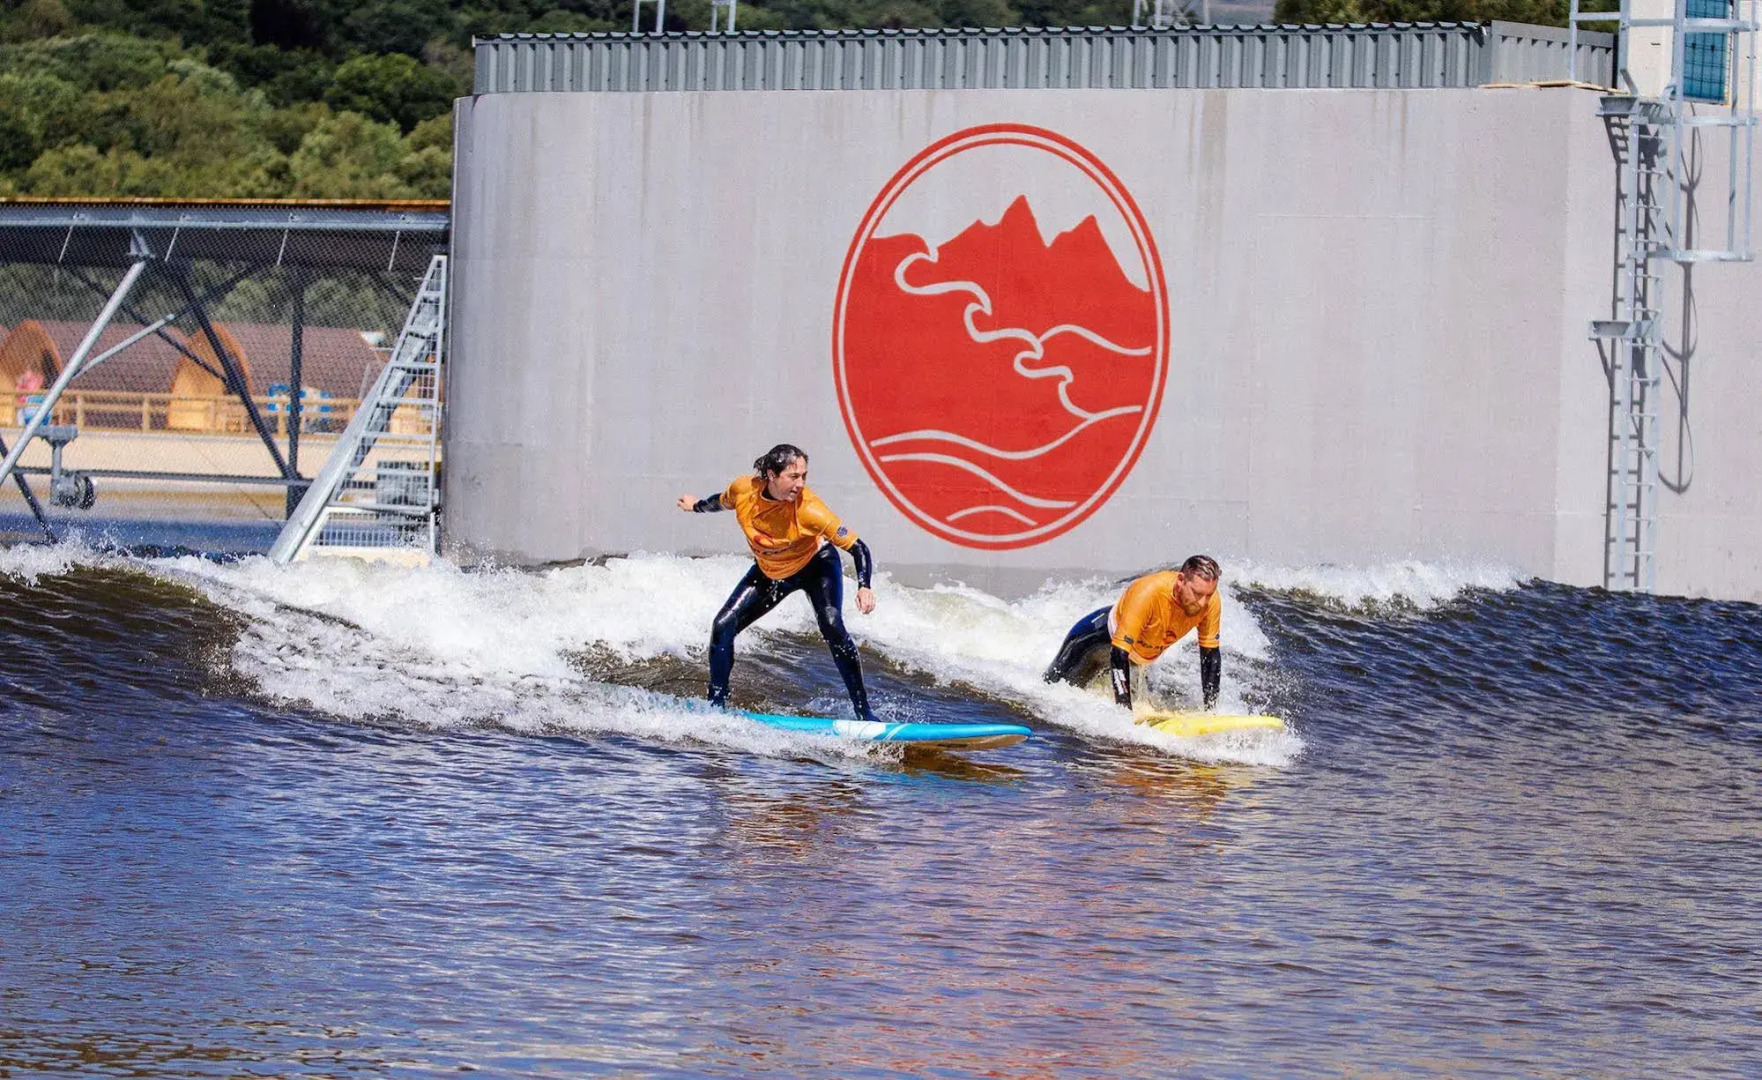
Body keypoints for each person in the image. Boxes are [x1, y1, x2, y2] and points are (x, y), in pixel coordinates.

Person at [677, 444, 880, 722]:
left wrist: (864, 585)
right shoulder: (744, 490)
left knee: (832, 626)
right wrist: (696, 506)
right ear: (771, 474)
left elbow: (859, 548)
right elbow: (721, 501)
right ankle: (716, 707)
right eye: (793, 476)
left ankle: (864, 712)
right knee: (723, 626)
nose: (800, 484)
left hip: (816, 566)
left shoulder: (811, 509)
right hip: (771, 572)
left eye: (804, 476)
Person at [1043, 555, 1223, 713]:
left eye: (1208, 595)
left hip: (1136, 658)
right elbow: (1119, 652)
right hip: (1094, 642)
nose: (1202, 603)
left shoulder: (1210, 602)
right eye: (1197, 593)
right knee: (1052, 693)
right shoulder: (1148, 592)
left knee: (1143, 702)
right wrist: (1124, 712)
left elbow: (1210, 656)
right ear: (1181, 580)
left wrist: (1210, 711)